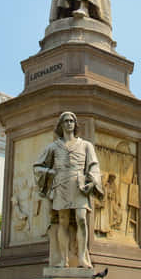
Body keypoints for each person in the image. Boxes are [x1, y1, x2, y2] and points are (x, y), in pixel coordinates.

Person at [34, 112, 104, 268]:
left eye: (72, 121)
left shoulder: (86, 145)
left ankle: (81, 258)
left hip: (79, 185)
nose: (69, 123)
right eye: (66, 121)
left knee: (81, 218)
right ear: (61, 125)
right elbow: (38, 166)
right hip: (61, 185)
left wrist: (93, 181)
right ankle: (63, 259)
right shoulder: (53, 147)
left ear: (75, 124)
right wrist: (50, 173)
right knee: (63, 221)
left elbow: (94, 165)